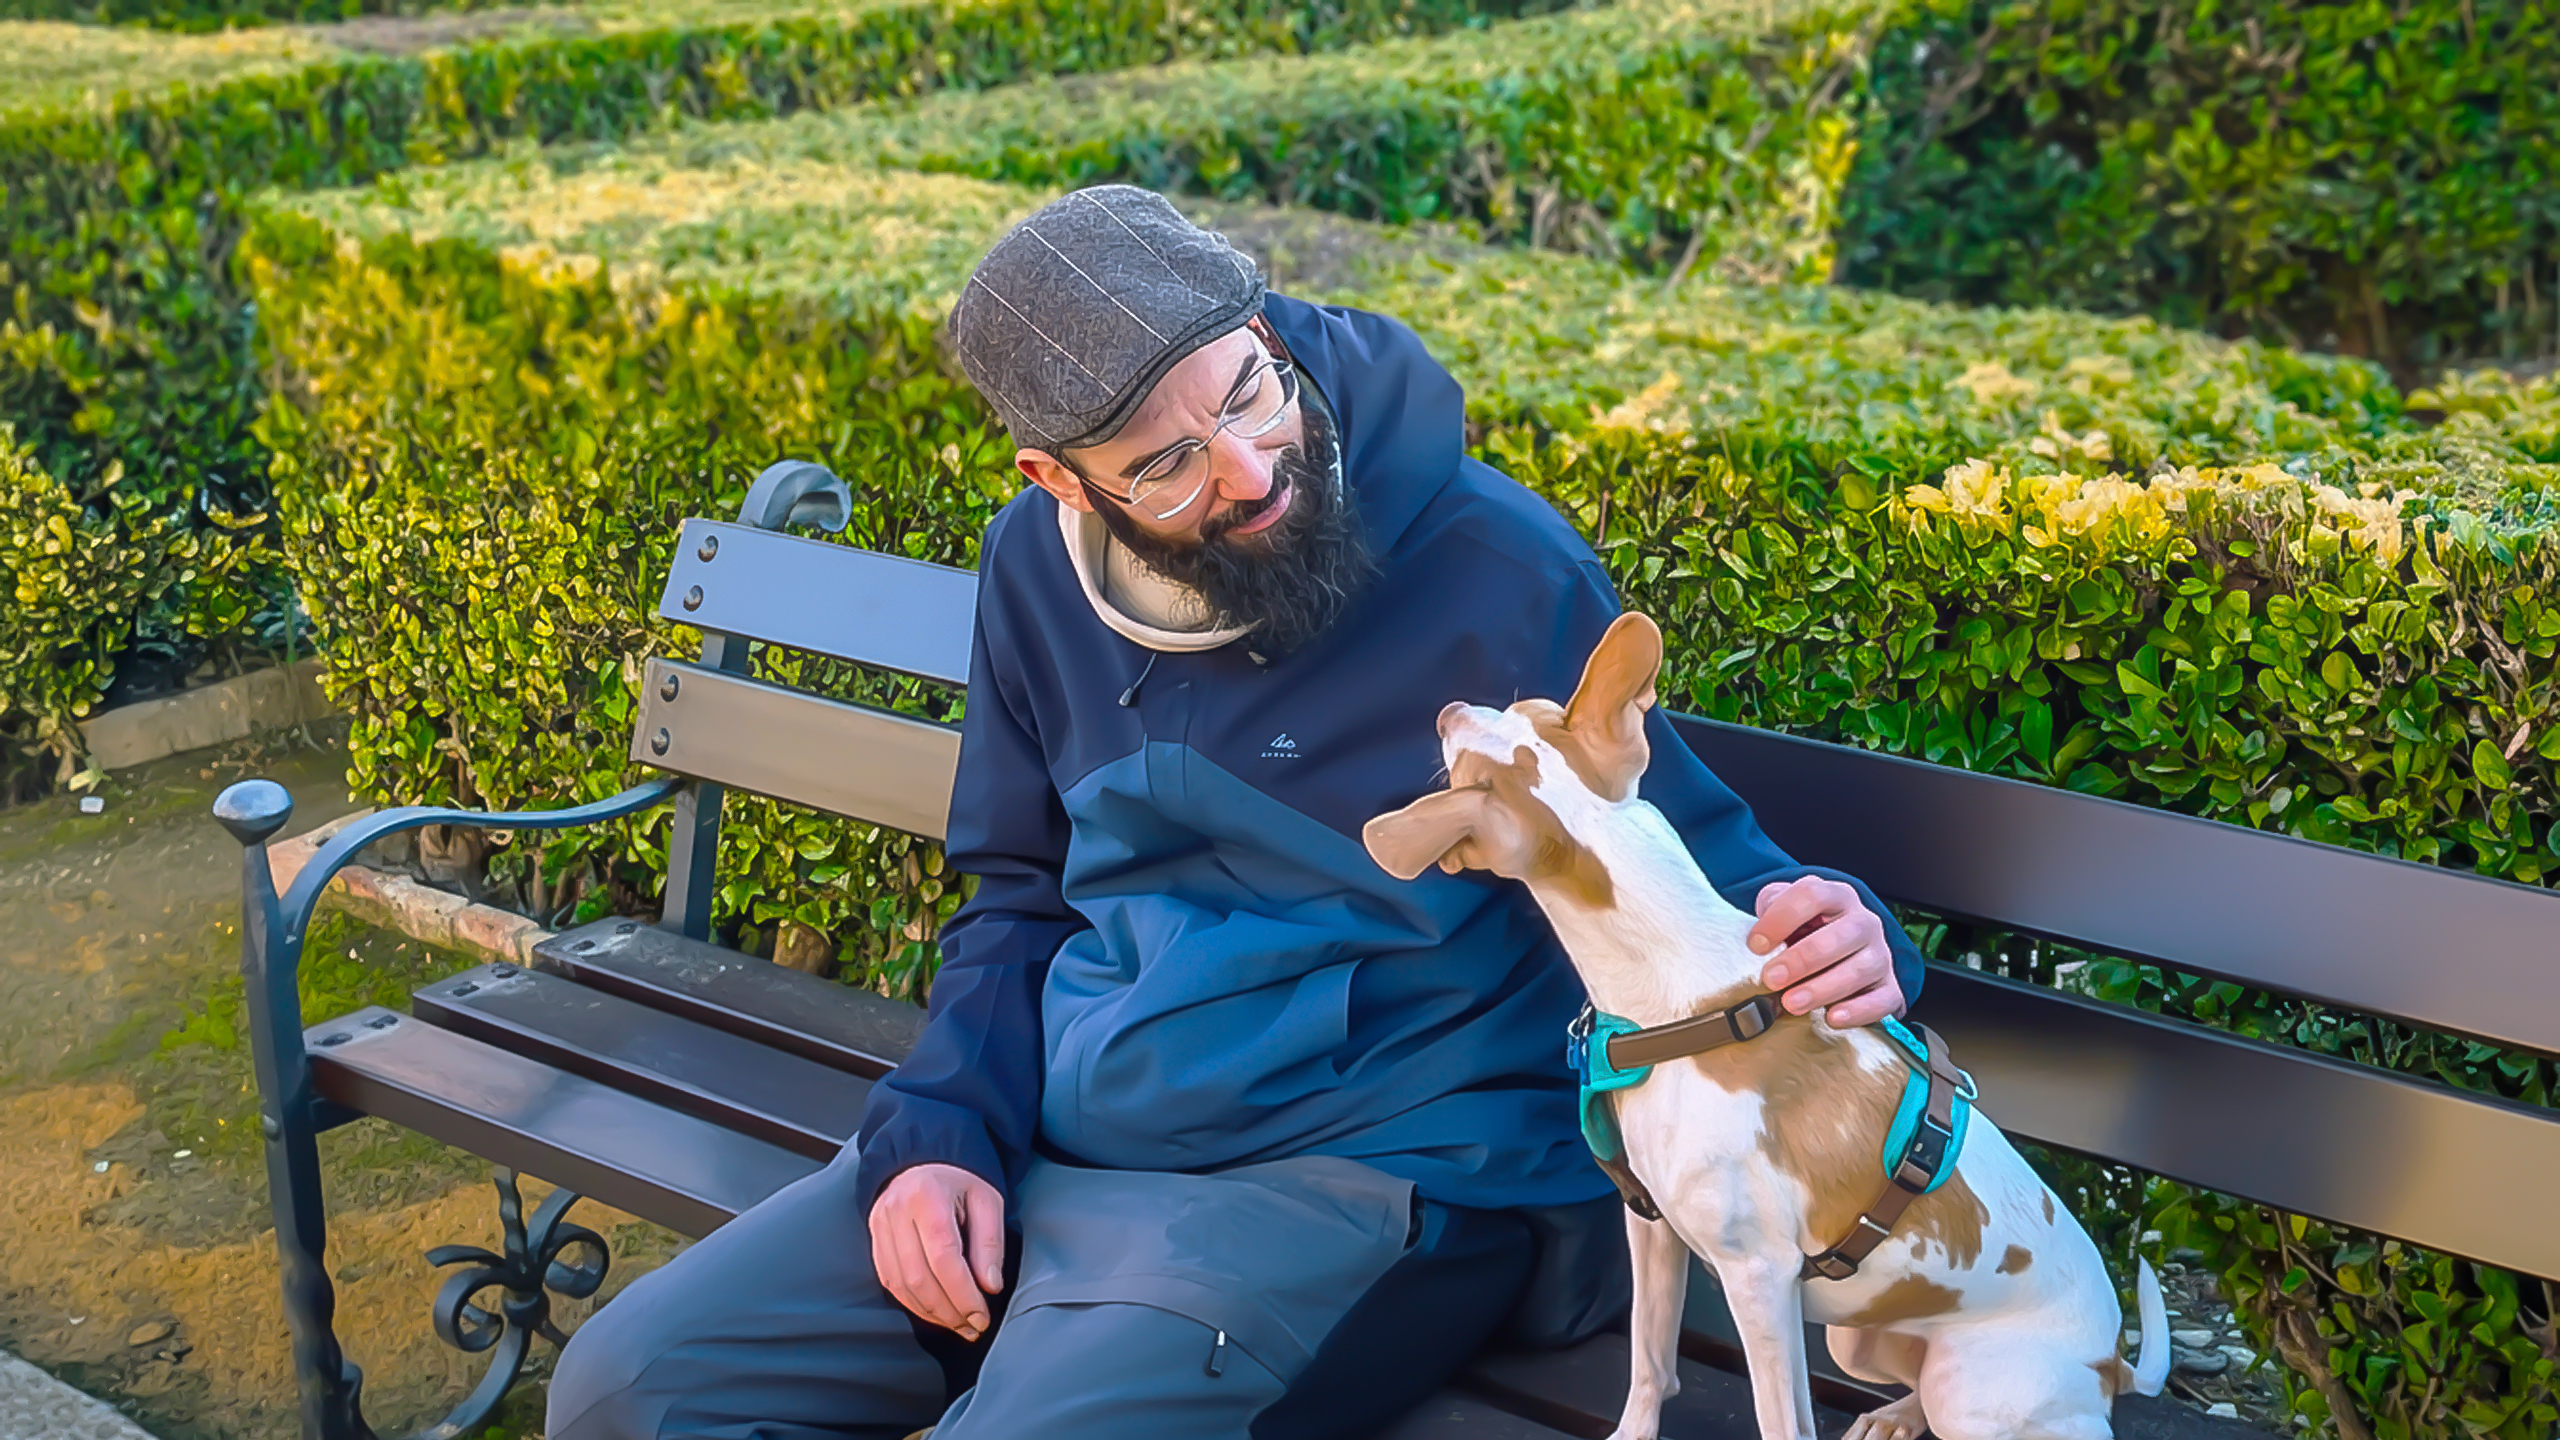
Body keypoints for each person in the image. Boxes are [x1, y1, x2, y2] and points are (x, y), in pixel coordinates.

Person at [544, 184, 1922, 1440]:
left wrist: (1850, 938)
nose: (1249, 473)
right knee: (635, 1387)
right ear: (1055, 480)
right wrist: (944, 1130)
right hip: (1065, 1135)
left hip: (1380, 1177)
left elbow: (1691, 859)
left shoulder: (1498, 571)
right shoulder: (1034, 573)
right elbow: (1017, 892)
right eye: (1164, 466)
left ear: (1264, 331)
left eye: (1247, 397)